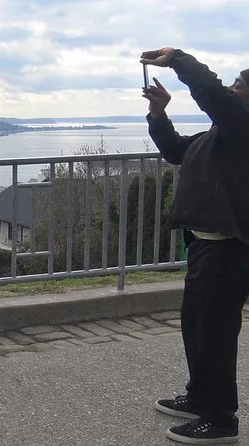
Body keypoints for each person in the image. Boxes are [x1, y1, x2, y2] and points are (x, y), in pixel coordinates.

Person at [142, 47, 249, 444]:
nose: (232, 89)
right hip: (205, 247)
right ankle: (200, 396)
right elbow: (175, 151)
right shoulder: (219, 135)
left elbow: (212, 92)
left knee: (216, 335)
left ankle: (220, 420)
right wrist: (158, 114)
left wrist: (177, 58)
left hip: (228, 251)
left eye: (239, 85)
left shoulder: (242, 129)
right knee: (197, 327)